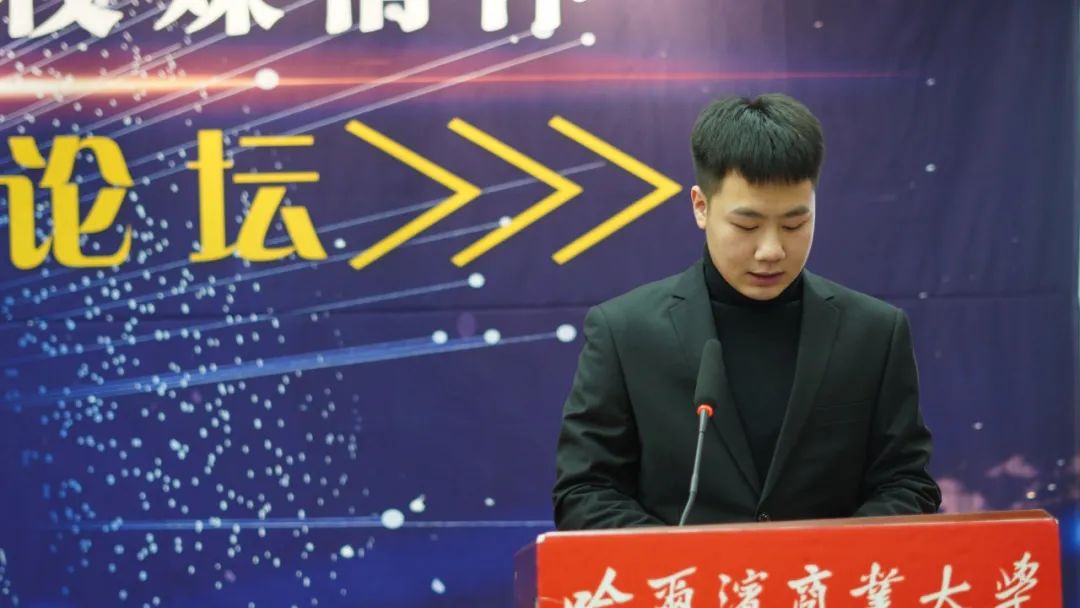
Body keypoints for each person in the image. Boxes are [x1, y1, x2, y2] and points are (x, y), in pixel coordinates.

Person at [552, 93, 941, 529]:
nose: (771, 250)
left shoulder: (874, 333)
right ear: (701, 206)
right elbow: (586, 492)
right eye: (746, 225)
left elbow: (906, 483)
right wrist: (683, 562)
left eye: (795, 224)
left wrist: (829, 557)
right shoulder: (626, 332)